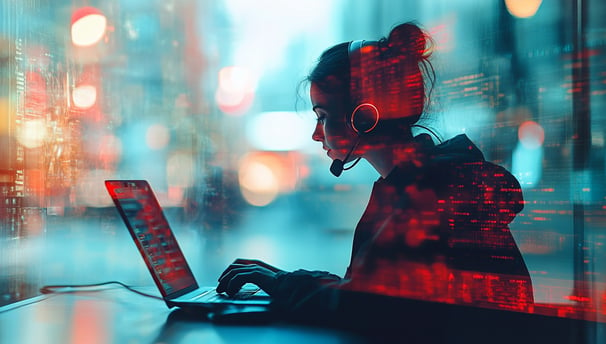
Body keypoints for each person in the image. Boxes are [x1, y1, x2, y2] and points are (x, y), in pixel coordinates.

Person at [216, 22, 533, 316]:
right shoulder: (416, 183)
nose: (316, 134)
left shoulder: (426, 195)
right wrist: (282, 279)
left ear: (364, 116)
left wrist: (283, 282)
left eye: (322, 115)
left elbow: (361, 306)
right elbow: (371, 290)